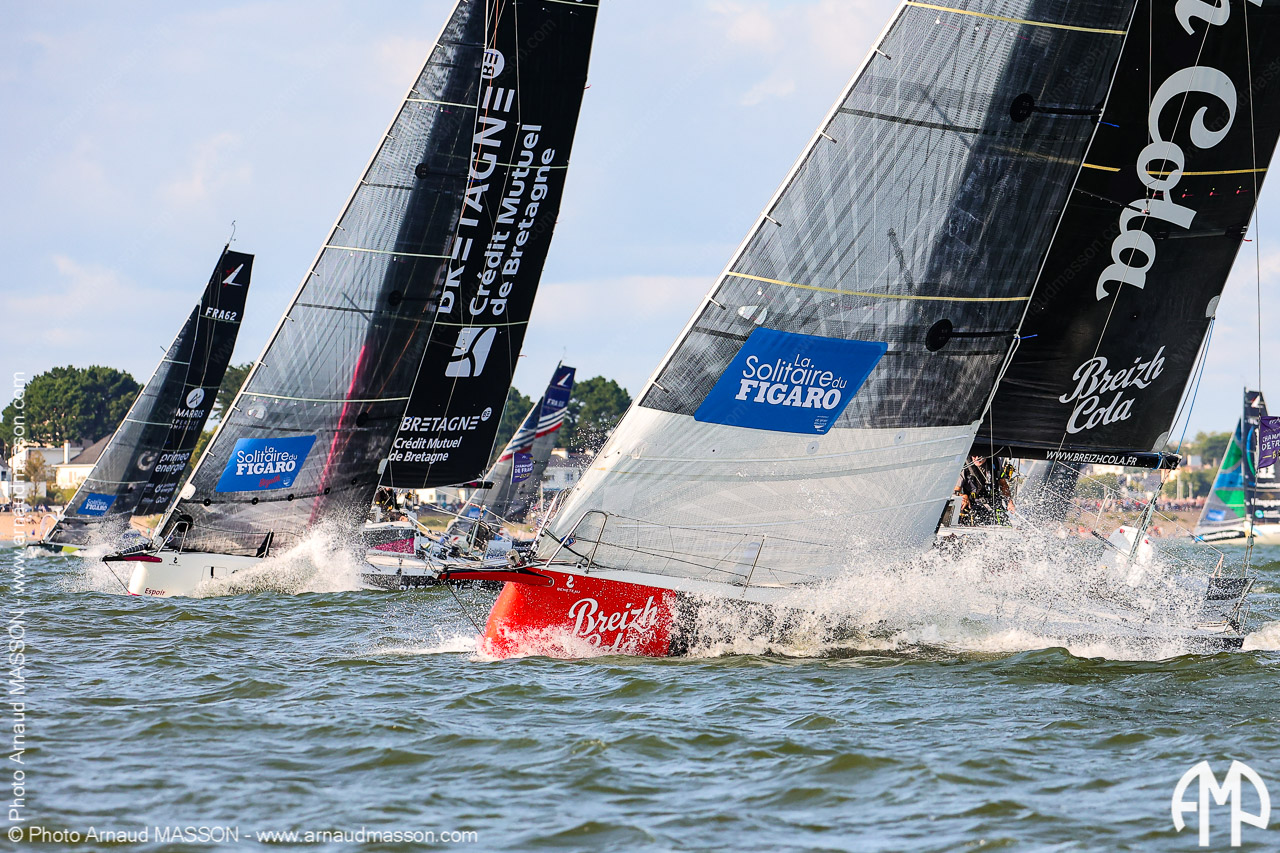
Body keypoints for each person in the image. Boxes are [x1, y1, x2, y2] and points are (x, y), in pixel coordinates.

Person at [959, 454, 1013, 525]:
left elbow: (1003, 484)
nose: (977, 458)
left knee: (1006, 526)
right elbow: (955, 490)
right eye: (974, 455)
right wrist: (963, 496)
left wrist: (1009, 501)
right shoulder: (964, 465)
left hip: (993, 504)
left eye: (980, 456)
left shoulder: (995, 461)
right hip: (974, 506)